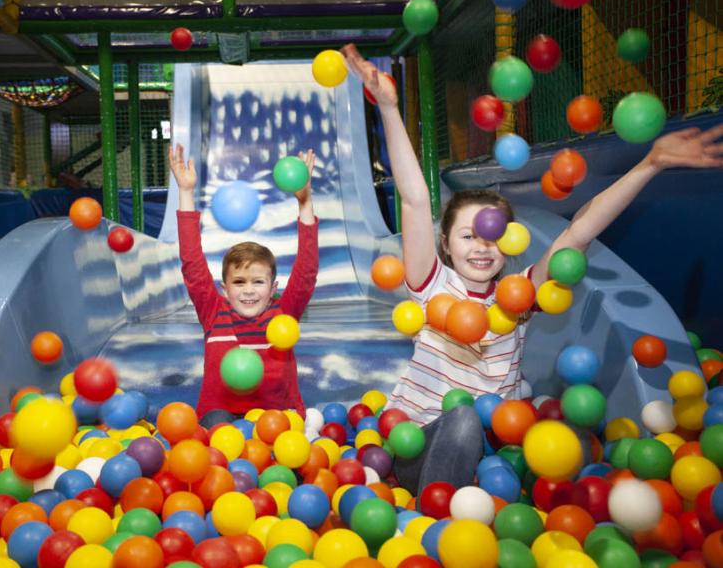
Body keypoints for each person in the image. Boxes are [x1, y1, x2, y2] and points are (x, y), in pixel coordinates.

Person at [342, 43, 723, 494]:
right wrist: (389, 108)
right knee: (464, 419)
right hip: (417, 443)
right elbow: (414, 198)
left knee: (561, 442)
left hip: (494, 450)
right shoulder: (431, 285)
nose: (482, 249)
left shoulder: (518, 297)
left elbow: (577, 235)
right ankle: (431, 515)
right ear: (445, 242)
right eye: (468, 237)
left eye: (494, 237)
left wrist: (650, 163)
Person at [169, 144, 319, 424]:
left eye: (258, 282)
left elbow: (307, 272)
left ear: (273, 288)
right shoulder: (214, 313)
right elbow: (192, 263)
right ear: (225, 289)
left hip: (277, 418)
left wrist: (305, 203)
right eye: (239, 282)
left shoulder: (282, 314)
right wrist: (186, 193)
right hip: (221, 416)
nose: (249, 290)